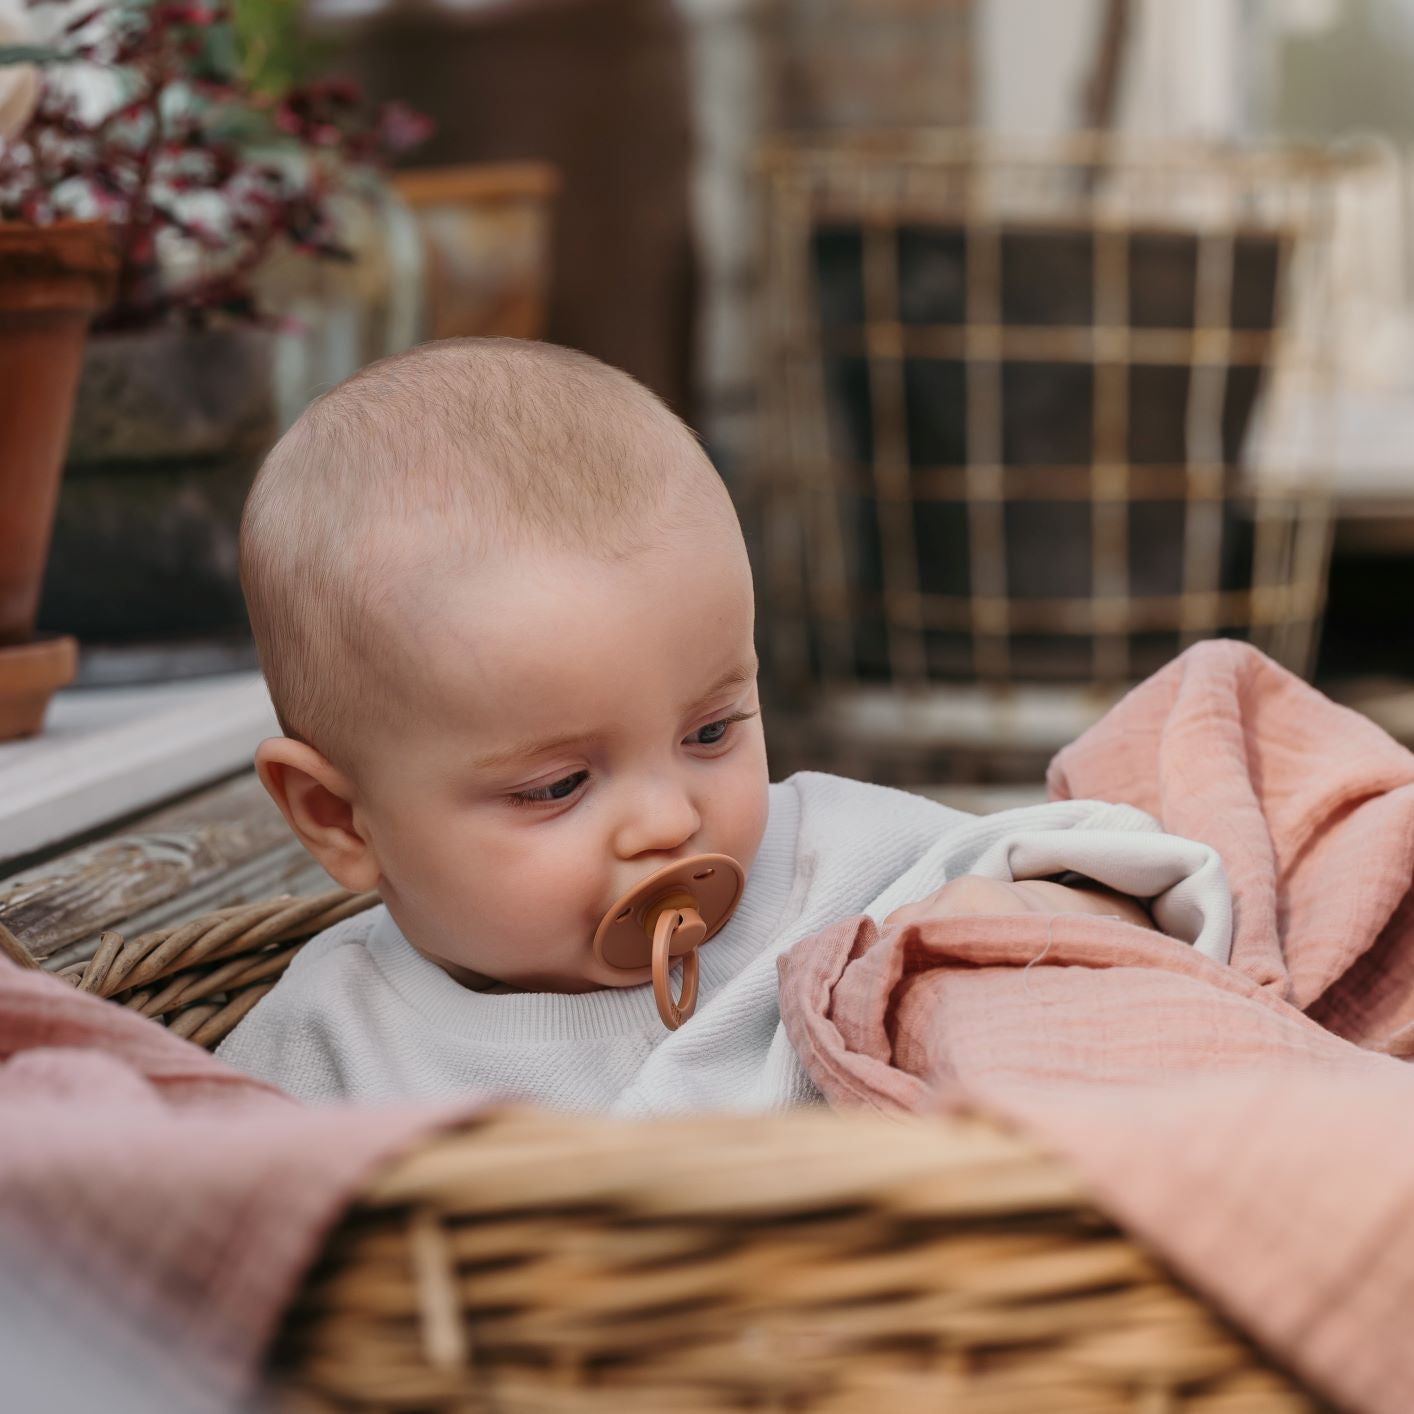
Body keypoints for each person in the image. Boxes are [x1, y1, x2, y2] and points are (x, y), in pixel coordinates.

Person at [216, 338, 1229, 1111]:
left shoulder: (834, 868)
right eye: (555, 786)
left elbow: (1094, 868)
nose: (668, 820)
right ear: (338, 819)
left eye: (710, 732)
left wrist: (1038, 922)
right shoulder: (326, 1047)